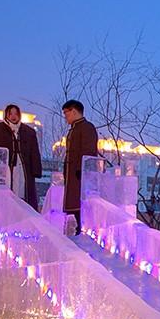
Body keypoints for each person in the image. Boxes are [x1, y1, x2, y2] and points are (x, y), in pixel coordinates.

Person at [0, 104, 43, 208]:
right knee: (7, 192)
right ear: (6, 114)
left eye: (16, 113)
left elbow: (35, 152)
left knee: (24, 193)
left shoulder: (29, 132)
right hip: (5, 169)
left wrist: (36, 170)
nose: (13, 116)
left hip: (24, 169)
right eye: (10, 113)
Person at [61, 99, 99, 234]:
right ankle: (76, 232)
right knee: (73, 206)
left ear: (74, 111)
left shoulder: (87, 127)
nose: (65, 116)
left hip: (80, 177)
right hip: (72, 176)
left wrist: (80, 170)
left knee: (79, 206)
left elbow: (88, 151)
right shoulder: (74, 129)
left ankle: (81, 233)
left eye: (66, 113)